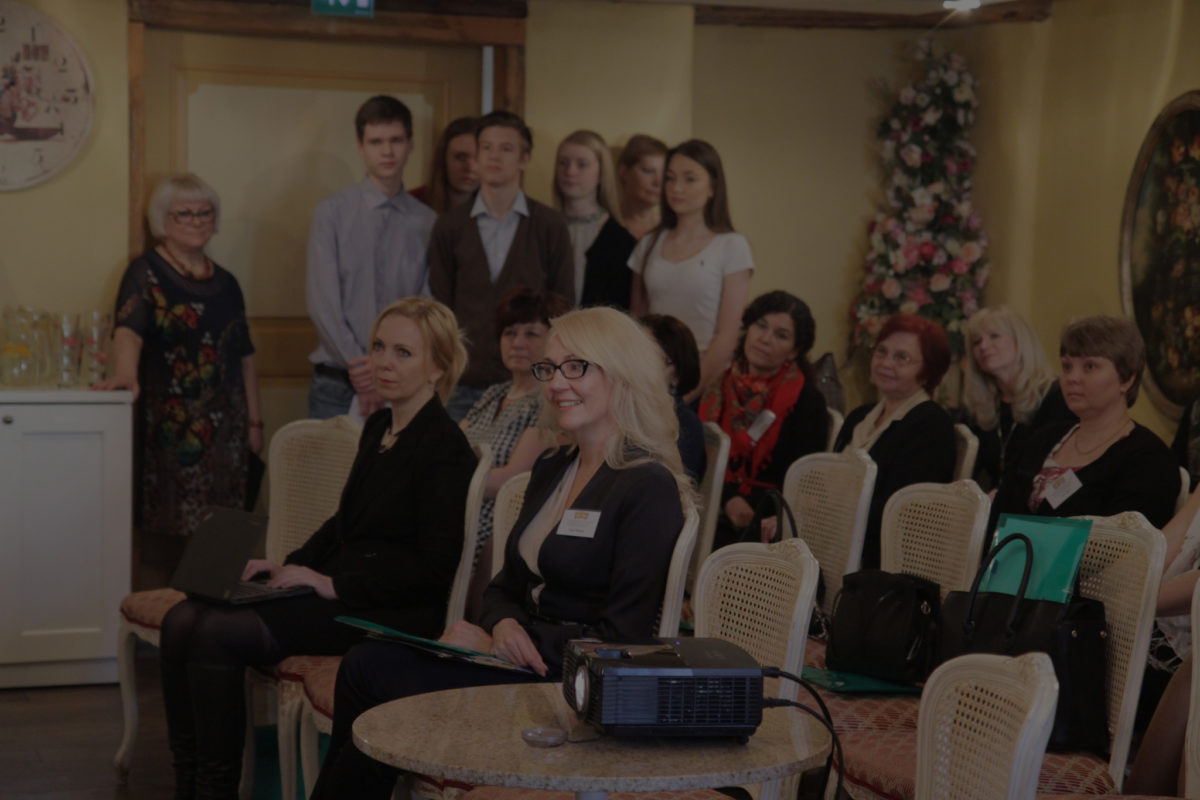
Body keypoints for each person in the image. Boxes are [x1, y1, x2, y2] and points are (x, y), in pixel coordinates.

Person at [308, 306, 691, 800]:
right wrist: (503, 624)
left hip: (565, 686)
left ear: (621, 373)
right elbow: (503, 587)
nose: (556, 383)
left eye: (576, 367)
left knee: (370, 671)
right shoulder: (554, 467)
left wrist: (502, 641)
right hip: (515, 662)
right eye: (550, 368)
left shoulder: (646, 486)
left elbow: (624, 638)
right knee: (368, 670)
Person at [156, 297, 476, 799]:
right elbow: (341, 524)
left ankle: (216, 791)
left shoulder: (445, 446)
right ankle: (188, 784)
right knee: (181, 620)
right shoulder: (380, 427)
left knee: (216, 632)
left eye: (403, 352)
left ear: (437, 367)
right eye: (378, 347)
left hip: (385, 611)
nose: (384, 362)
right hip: (339, 592)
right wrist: (287, 566)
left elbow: (433, 570)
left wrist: (329, 583)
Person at [93, 174, 262, 587]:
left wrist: (256, 424)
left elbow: (245, 356)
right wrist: (125, 374)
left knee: (223, 533)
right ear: (162, 221)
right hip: (174, 429)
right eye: (184, 213)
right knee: (174, 536)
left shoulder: (228, 282)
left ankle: (213, 613)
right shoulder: (145, 272)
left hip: (228, 432)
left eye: (205, 212)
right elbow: (129, 330)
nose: (197, 220)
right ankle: (177, 615)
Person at [429, 110, 574, 421]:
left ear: (524, 158)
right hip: (464, 381)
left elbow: (563, 308)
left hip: (532, 382)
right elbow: (441, 308)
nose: (494, 156)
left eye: (506, 148)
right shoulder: (449, 226)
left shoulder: (550, 225)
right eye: (486, 147)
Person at [306, 95, 436, 419]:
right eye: (376, 141)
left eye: (396, 140)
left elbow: (426, 304)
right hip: (339, 380)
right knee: (329, 458)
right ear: (361, 147)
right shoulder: (331, 213)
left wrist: (389, 365)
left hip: (404, 382)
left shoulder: (428, 222)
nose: (387, 151)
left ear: (410, 145)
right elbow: (323, 303)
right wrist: (364, 368)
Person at [991, 315, 1179, 531]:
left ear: (1126, 379)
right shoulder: (1043, 439)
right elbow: (997, 518)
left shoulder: (1148, 459)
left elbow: (1123, 546)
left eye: (1089, 366)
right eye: (1067, 367)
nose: (1072, 377)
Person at [459, 287, 571, 618]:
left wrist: (444, 475)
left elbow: (510, 480)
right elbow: (449, 448)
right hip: (460, 506)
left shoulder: (548, 402)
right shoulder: (492, 395)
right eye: (510, 332)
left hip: (498, 521)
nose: (518, 342)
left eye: (531, 333)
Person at [701, 291, 830, 547]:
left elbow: (805, 482)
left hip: (768, 521)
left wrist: (768, 514)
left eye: (781, 335)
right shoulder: (719, 386)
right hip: (711, 500)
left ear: (794, 351)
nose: (765, 339)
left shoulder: (807, 400)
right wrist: (728, 498)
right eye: (761, 326)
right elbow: (699, 454)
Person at [629, 139, 753, 403]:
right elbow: (637, 321)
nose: (676, 188)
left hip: (706, 381)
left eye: (690, 179)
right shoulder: (649, 243)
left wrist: (684, 395)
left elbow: (728, 336)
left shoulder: (731, 246)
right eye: (670, 178)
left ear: (713, 187)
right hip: (651, 376)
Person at [834, 313, 956, 568]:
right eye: (881, 351)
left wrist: (830, 511)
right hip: (834, 541)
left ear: (927, 372)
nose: (885, 363)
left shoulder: (932, 425)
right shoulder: (859, 416)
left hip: (881, 561)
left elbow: (903, 510)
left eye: (902, 357)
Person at [959, 307, 1075, 491]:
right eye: (976, 341)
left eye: (994, 336)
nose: (983, 346)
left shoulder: (1056, 397)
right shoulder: (981, 407)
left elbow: (1064, 476)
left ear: (1021, 341)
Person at [553, 129, 637, 309]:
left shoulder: (620, 241)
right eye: (563, 162)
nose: (570, 171)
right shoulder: (542, 228)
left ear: (601, 173)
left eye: (582, 164)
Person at [642, 313, 707, 481]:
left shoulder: (686, 425)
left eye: (651, 356)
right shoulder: (615, 409)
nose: (638, 364)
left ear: (677, 376)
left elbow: (672, 488)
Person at [409, 115, 479, 213]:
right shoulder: (412, 203)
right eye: (460, 157)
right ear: (443, 159)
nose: (470, 168)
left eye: (479, 158)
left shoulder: (496, 210)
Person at [617, 134, 667, 240]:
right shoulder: (602, 225)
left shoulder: (671, 229)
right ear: (624, 172)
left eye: (664, 174)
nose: (658, 182)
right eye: (648, 171)